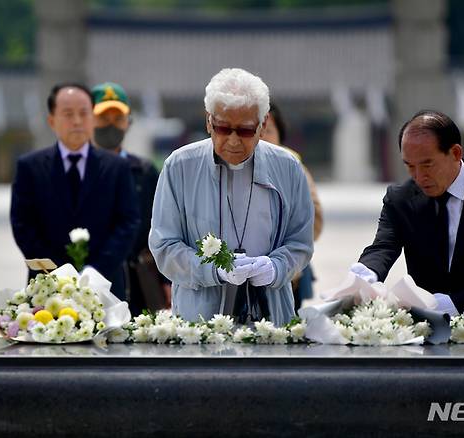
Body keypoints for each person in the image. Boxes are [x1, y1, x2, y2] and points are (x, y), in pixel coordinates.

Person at [149, 68, 314, 326]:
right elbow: (164, 247)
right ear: (208, 122)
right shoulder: (180, 166)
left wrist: (277, 268)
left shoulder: (288, 167)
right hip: (199, 321)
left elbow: (301, 243)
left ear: (263, 124)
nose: (234, 141)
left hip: (270, 318)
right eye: (223, 128)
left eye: (246, 131)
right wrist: (213, 270)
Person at [351, 110, 464, 324]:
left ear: (455, 153)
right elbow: (383, 247)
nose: (419, 177)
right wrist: (364, 276)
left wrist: (455, 303)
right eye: (409, 166)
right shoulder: (400, 199)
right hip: (423, 328)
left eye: (427, 165)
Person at [10, 82, 140, 301]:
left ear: (91, 118)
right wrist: (58, 274)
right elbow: (23, 225)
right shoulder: (30, 167)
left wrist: (94, 272)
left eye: (84, 113)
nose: (77, 121)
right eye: (68, 114)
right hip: (46, 288)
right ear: (52, 120)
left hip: (105, 286)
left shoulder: (117, 167)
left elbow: (128, 223)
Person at [91, 81, 170, 313]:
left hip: (138, 282)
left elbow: (163, 227)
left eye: (118, 119)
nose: (111, 126)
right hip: (87, 275)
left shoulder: (144, 171)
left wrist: (166, 279)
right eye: (103, 118)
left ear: (129, 123)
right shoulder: (78, 171)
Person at [260, 103, 323, 311]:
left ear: (280, 135)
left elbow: (316, 219)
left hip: (287, 274)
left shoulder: (294, 168)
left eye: (268, 131)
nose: (261, 137)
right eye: (255, 130)